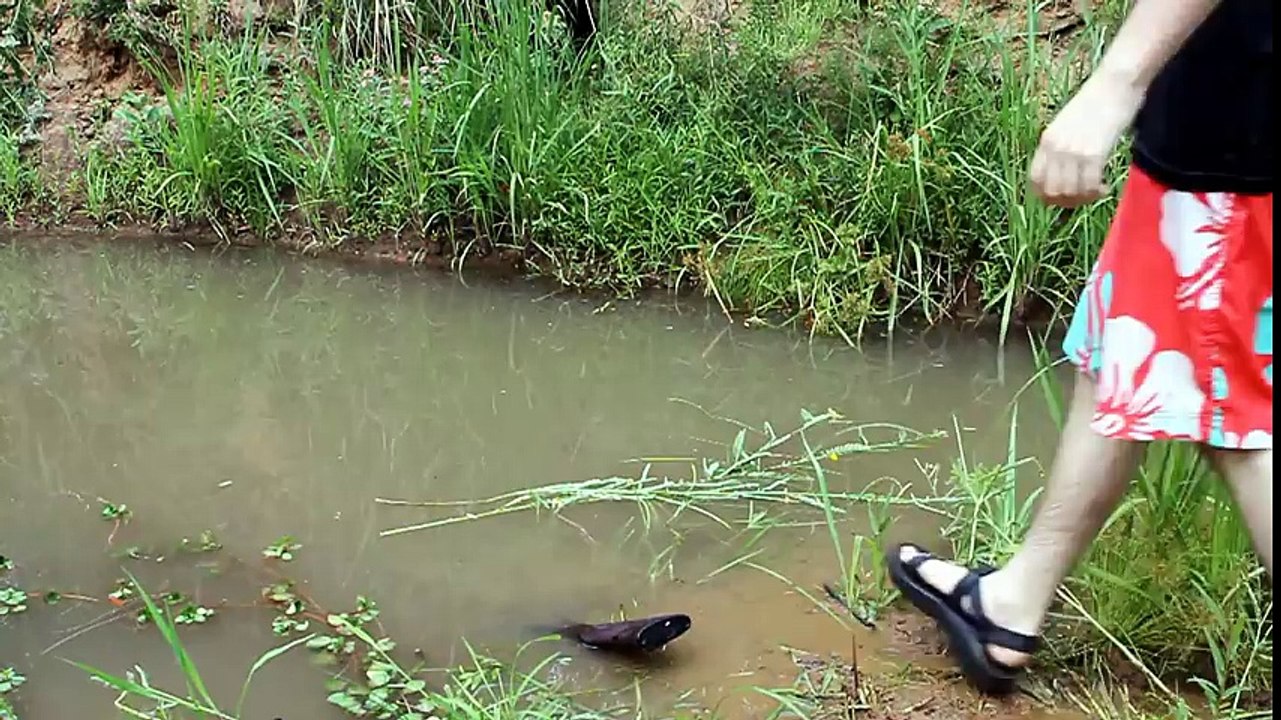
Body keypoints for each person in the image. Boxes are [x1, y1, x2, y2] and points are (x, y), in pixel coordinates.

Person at [886, 0, 1273, 696]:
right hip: (1210, 118)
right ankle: (1013, 602)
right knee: (1119, 354)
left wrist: (1113, 85)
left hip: (1234, 126)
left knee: (1235, 422)